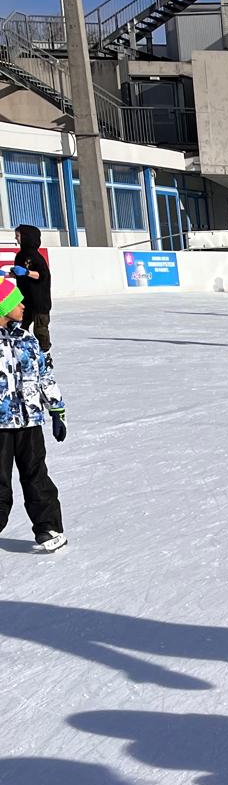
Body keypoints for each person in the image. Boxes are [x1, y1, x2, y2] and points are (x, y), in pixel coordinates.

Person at [0, 276, 67, 553]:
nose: (23, 306)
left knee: (36, 476)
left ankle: (48, 527)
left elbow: (44, 376)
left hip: (29, 421)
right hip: (1, 426)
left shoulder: (27, 339)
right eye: (16, 302)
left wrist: (57, 409)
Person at [10, 225, 52, 358]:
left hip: (40, 300)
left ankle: (46, 354)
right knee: (20, 326)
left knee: (40, 330)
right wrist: (8, 274)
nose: (16, 238)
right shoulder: (20, 256)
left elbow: (43, 275)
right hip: (25, 300)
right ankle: (24, 352)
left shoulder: (36, 257)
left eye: (18, 236)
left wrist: (27, 272)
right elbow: (19, 275)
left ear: (26, 237)